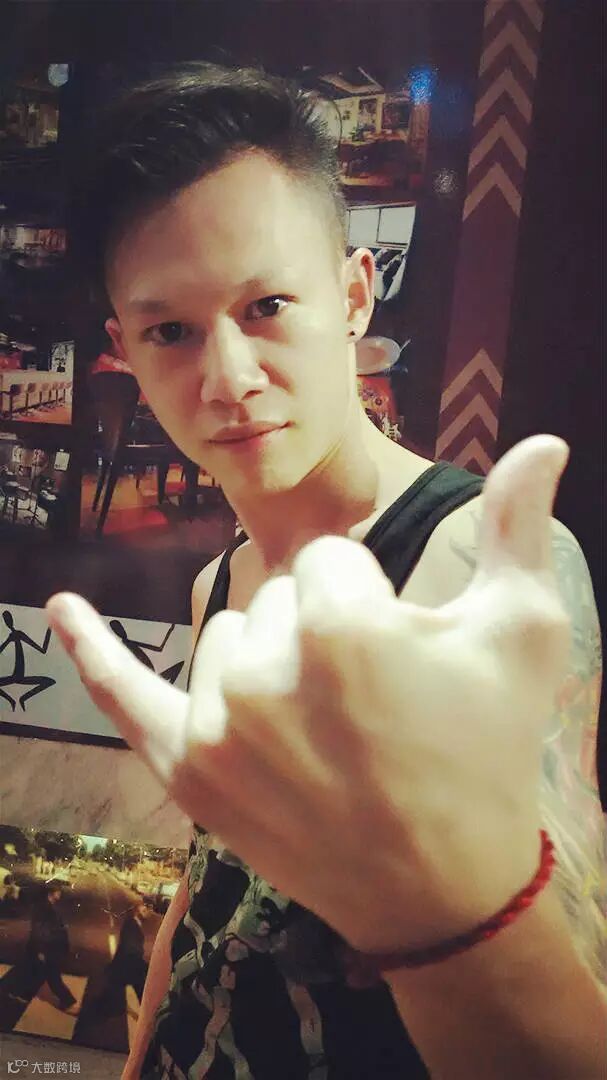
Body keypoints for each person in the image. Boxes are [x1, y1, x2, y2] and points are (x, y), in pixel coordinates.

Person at [47, 63, 605, 1078]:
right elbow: (209, 892)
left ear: (352, 296)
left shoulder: (466, 562)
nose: (228, 378)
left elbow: (577, 999)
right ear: (124, 347)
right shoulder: (222, 584)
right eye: (171, 330)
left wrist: (440, 907)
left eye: (266, 304)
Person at [24, 880, 78, 1013]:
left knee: (36, 971)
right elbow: (39, 931)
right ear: (51, 893)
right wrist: (41, 951)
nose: (60, 893)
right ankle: (68, 1002)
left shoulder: (49, 907)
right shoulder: (44, 909)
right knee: (53, 976)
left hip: (50, 947)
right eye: (58, 891)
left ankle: (23, 993)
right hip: (48, 949)